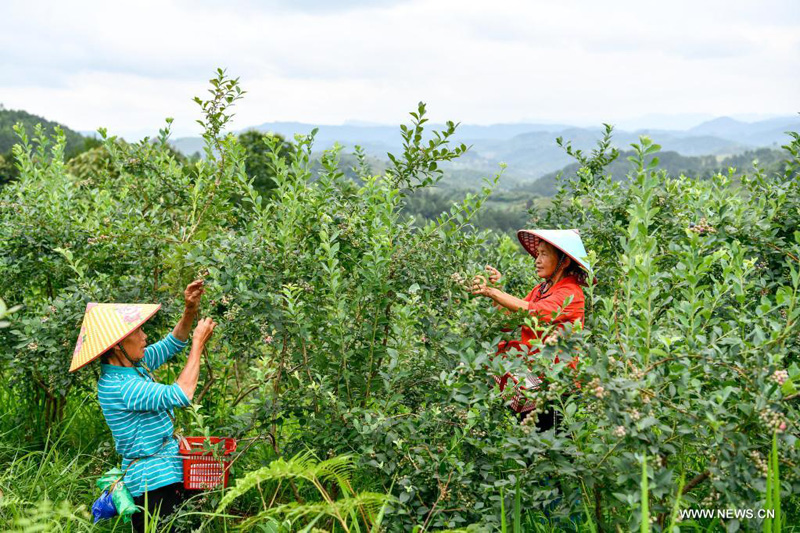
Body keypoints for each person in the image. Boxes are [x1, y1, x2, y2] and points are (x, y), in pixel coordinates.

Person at [69, 280, 217, 532]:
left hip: (166, 472)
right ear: (117, 345)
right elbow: (182, 393)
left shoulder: (133, 366)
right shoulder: (121, 386)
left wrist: (190, 310)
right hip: (153, 485)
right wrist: (198, 343)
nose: (144, 336)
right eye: (137, 331)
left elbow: (172, 343)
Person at [471, 229, 589, 430]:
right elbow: (510, 321)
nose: (537, 260)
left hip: (557, 387)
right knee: (532, 446)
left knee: (554, 447)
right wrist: (496, 290)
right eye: (538, 254)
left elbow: (535, 312)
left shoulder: (571, 293)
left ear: (564, 261)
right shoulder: (540, 290)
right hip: (534, 381)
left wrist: (494, 292)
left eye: (544, 254)